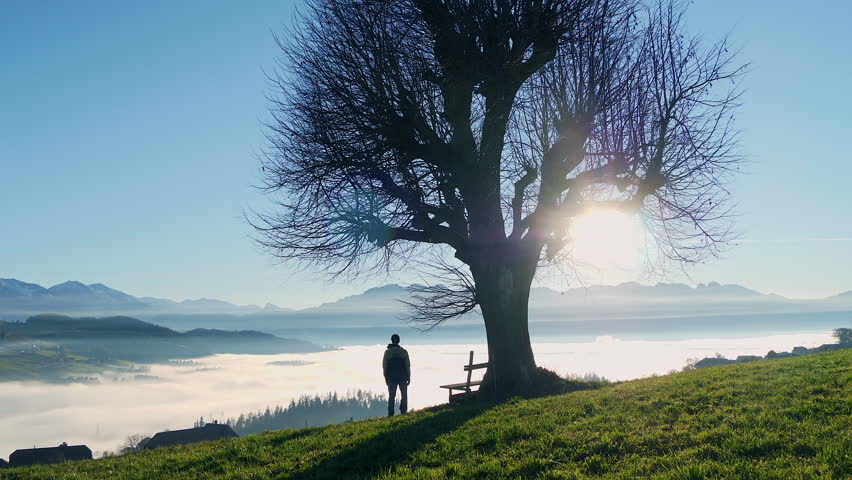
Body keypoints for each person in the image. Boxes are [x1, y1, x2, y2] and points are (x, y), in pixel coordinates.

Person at [382, 333, 410, 416]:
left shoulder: (387, 353)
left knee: (391, 396)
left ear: (391, 340)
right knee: (404, 395)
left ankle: (391, 413)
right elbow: (407, 365)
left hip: (391, 377)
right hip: (403, 377)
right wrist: (408, 376)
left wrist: (386, 378)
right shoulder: (404, 352)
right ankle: (403, 411)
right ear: (399, 341)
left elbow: (385, 366)